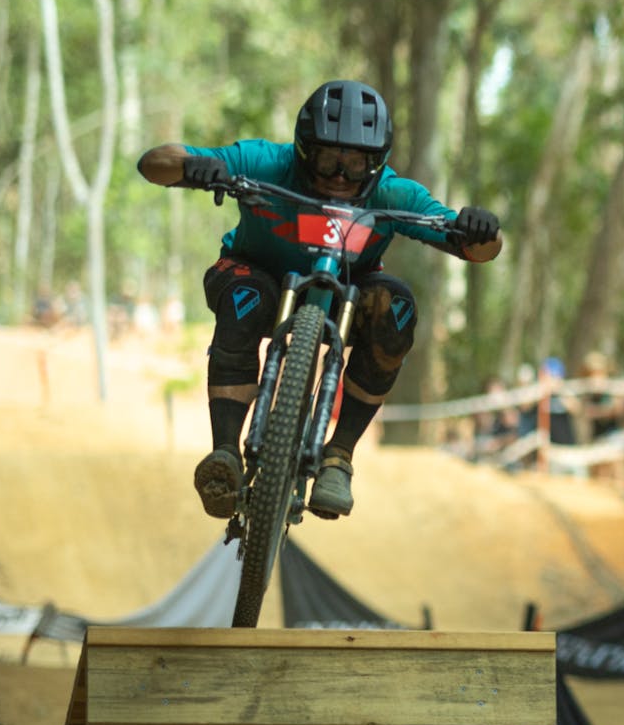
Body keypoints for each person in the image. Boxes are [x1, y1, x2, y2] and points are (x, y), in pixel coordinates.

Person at [137, 79, 502, 520]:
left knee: (397, 309)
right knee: (244, 298)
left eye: (356, 163)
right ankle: (225, 456)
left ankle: (338, 457)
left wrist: (479, 229)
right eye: (328, 159)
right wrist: (195, 166)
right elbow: (153, 164)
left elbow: (481, 250)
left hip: (347, 294)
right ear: (304, 150)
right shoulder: (265, 163)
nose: (340, 176)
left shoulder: (392, 192)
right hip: (257, 275)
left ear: (377, 163)